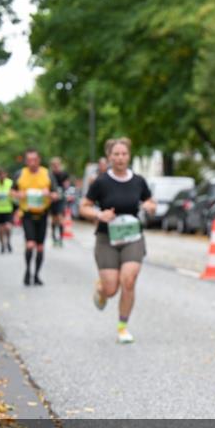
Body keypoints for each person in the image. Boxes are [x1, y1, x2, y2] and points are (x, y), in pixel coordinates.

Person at [79, 137, 156, 344]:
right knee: (111, 289)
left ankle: (123, 327)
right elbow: (83, 206)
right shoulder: (101, 182)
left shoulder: (138, 181)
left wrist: (149, 206)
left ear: (129, 156)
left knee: (128, 280)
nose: (120, 158)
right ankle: (101, 289)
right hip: (107, 238)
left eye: (124, 154)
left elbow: (150, 201)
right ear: (109, 157)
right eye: (116, 154)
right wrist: (99, 214)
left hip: (132, 236)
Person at [12, 147, 59, 285]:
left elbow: (56, 194)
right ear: (26, 161)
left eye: (35, 159)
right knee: (30, 244)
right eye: (29, 160)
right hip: (27, 213)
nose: (32, 162)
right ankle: (27, 271)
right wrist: (18, 195)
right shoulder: (20, 174)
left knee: (40, 247)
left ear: (39, 160)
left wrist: (49, 194)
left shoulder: (47, 174)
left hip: (43, 214)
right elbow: (12, 191)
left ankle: (37, 275)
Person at [48, 157, 71, 247]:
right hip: (52, 200)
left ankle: (61, 238)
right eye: (54, 165)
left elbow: (67, 185)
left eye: (57, 165)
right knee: (54, 219)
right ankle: (54, 237)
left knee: (60, 218)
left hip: (61, 199)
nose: (56, 167)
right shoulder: (50, 175)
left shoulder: (64, 174)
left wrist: (66, 189)